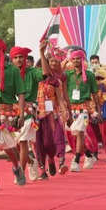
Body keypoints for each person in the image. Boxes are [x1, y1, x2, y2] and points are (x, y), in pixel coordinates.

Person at [0, 39, 28, 186]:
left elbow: (21, 93)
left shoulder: (13, 70)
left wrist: (21, 114)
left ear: (3, 51)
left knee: (8, 145)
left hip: (6, 111)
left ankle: (17, 167)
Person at [37, 40, 71, 177]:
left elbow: (63, 96)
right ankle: (42, 169)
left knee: (56, 138)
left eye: (56, 62)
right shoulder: (37, 77)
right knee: (39, 142)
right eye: (50, 62)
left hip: (53, 113)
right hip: (38, 113)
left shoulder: (59, 79)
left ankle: (60, 162)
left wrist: (65, 111)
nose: (53, 64)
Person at [10, 46, 43, 181]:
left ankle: (21, 173)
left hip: (28, 112)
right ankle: (31, 160)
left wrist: (42, 52)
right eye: (16, 57)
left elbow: (44, 75)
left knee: (23, 141)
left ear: (25, 59)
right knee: (13, 144)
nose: (18, 60)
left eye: (21, 57)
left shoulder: (33, 72)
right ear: (12, 60)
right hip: (10, 113)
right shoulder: (7, 73)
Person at [66, 49, 101, 172]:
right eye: (74, 58)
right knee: (76, 135)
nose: (76, 60)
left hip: (84, 108)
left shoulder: (90, 75)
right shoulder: (68, 75)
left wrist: (98, 111)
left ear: (82, 60)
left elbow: (95, 94)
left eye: (78, 58)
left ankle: (75, 161)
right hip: (71, 109)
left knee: (79, 132)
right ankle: (88, 155)